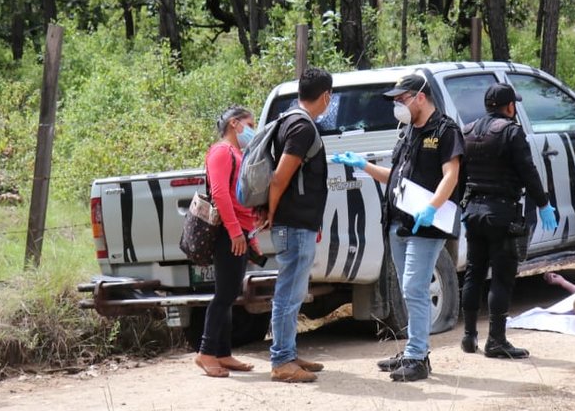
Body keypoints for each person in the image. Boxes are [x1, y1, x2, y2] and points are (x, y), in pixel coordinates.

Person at [331, 73, 465, 382]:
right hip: (398, 222)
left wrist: (432, 209)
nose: (398, 106)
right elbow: (396, 176)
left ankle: (418, 357)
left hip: (425, 224)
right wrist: (363, 165)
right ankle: (412, 350)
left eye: (402, 99)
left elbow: (451, 175)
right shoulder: (408, 133)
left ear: (420, 97)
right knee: (408, 291)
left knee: (414, 289)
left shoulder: (445, 131)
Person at [459, 81, 558, 359]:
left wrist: (460, 206)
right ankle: (496, 341)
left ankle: (469, 337)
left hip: (474, 212)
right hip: (502, 214)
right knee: (501, 278)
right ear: (510, 106)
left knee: (473, 273)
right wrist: (544, 204)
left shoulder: (467, 131)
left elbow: (460, 174)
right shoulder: (511, 133)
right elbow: (528, 171)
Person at [256, 67, 333, 383]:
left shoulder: (289, 120)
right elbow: (279, 178)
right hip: (293, 222)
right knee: (288, 293)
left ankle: (288, 352)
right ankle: (281, 361)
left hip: (297, 222)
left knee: (293, 292)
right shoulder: (301, 127)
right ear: (326, 96)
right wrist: (271, 212)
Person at [194, 105, 260, 378]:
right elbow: (220, 194)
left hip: (240, 231)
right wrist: (234, 231)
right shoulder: (222, 151)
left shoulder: (237, 153)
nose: (252, 129)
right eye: (250, 123)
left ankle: (223, 353)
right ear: (235, 124)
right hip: (228, 233)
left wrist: (250, 233)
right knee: (224, 294)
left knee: (230, 292)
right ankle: (207, 352)